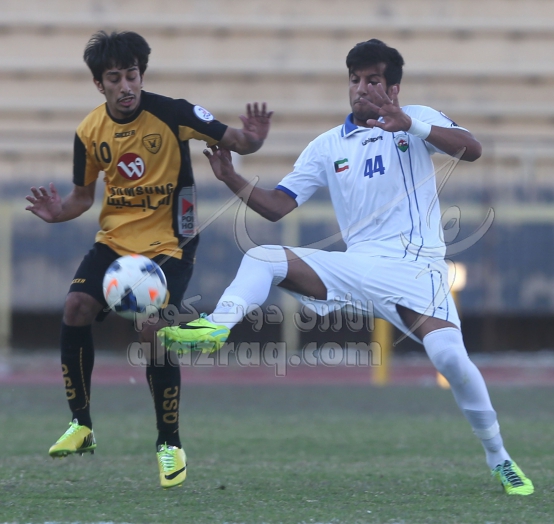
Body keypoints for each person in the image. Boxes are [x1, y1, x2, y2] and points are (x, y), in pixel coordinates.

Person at [159, 39, 534, 496]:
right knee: (262, 256)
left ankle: (500, 458)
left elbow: (471, 149)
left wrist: (411, 124)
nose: (361, 88)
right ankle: (217, 327)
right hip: (357, 269)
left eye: (373, 80)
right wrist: (233, 178)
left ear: (393, 89)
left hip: (418, 272)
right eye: (355, 79)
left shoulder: (416, 118)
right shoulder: (327, 145)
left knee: (451, 359)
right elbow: (277, 207)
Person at [25, 30, 272, 489]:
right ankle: (81, 425)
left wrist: (254, 139)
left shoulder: (173, 113)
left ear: (141, 75)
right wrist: (57, 213)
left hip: (171, 243)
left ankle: (169, 444)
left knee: (151, 329)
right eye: (114, 78)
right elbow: (82, 197)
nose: (126, 86)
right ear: (99, 84)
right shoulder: (89, 131)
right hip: (115, 242)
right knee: (75, 307)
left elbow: (237, 140)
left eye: (132, 75)